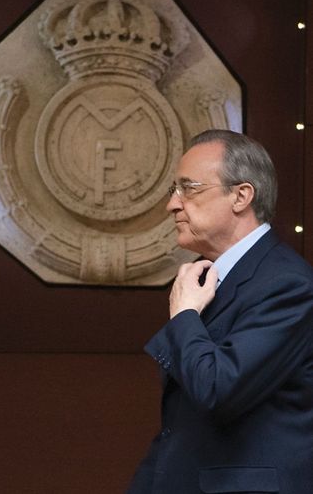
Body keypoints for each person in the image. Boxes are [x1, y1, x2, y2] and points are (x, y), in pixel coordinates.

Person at [127, 129, 313, 494]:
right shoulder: (209, 275)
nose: (173, 204)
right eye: (173, 191)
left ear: (241, 196)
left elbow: (218, 389)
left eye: (189, 188)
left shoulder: (288, 285)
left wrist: (184, 316)